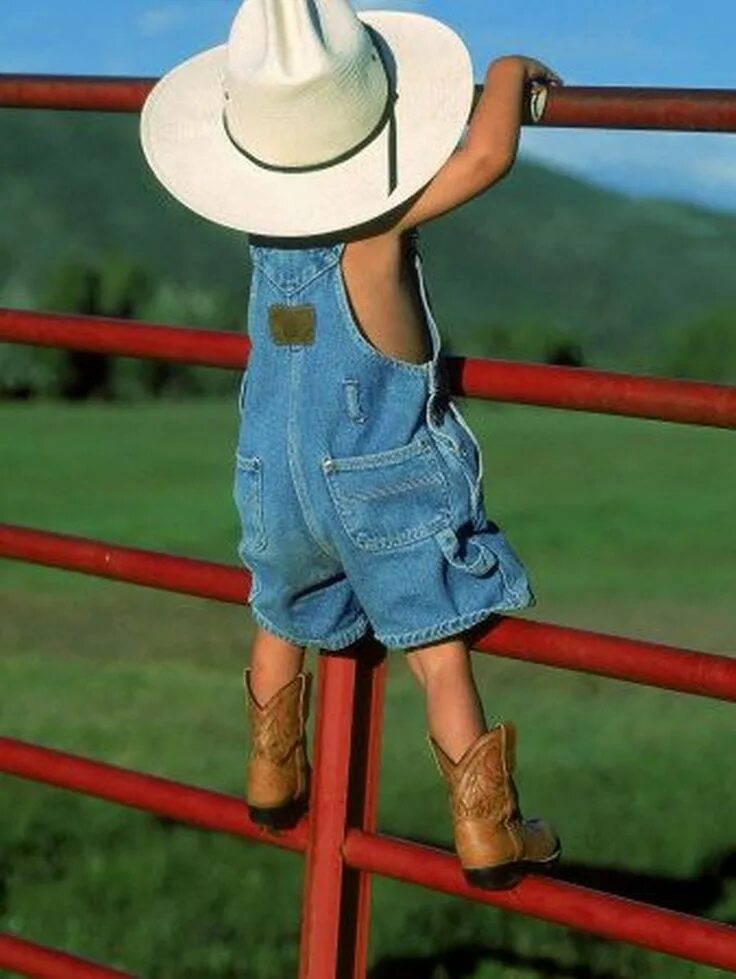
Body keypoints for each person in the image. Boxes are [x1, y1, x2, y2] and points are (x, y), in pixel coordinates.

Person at [140, 0, 563, 890]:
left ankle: (269, 772)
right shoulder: (378, 237)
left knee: (277, 610)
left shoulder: (265, 241)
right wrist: (514, 70)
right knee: (438, 652)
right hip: (384, 492)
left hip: (273, 484)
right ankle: (486, 827)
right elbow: (487, 155)